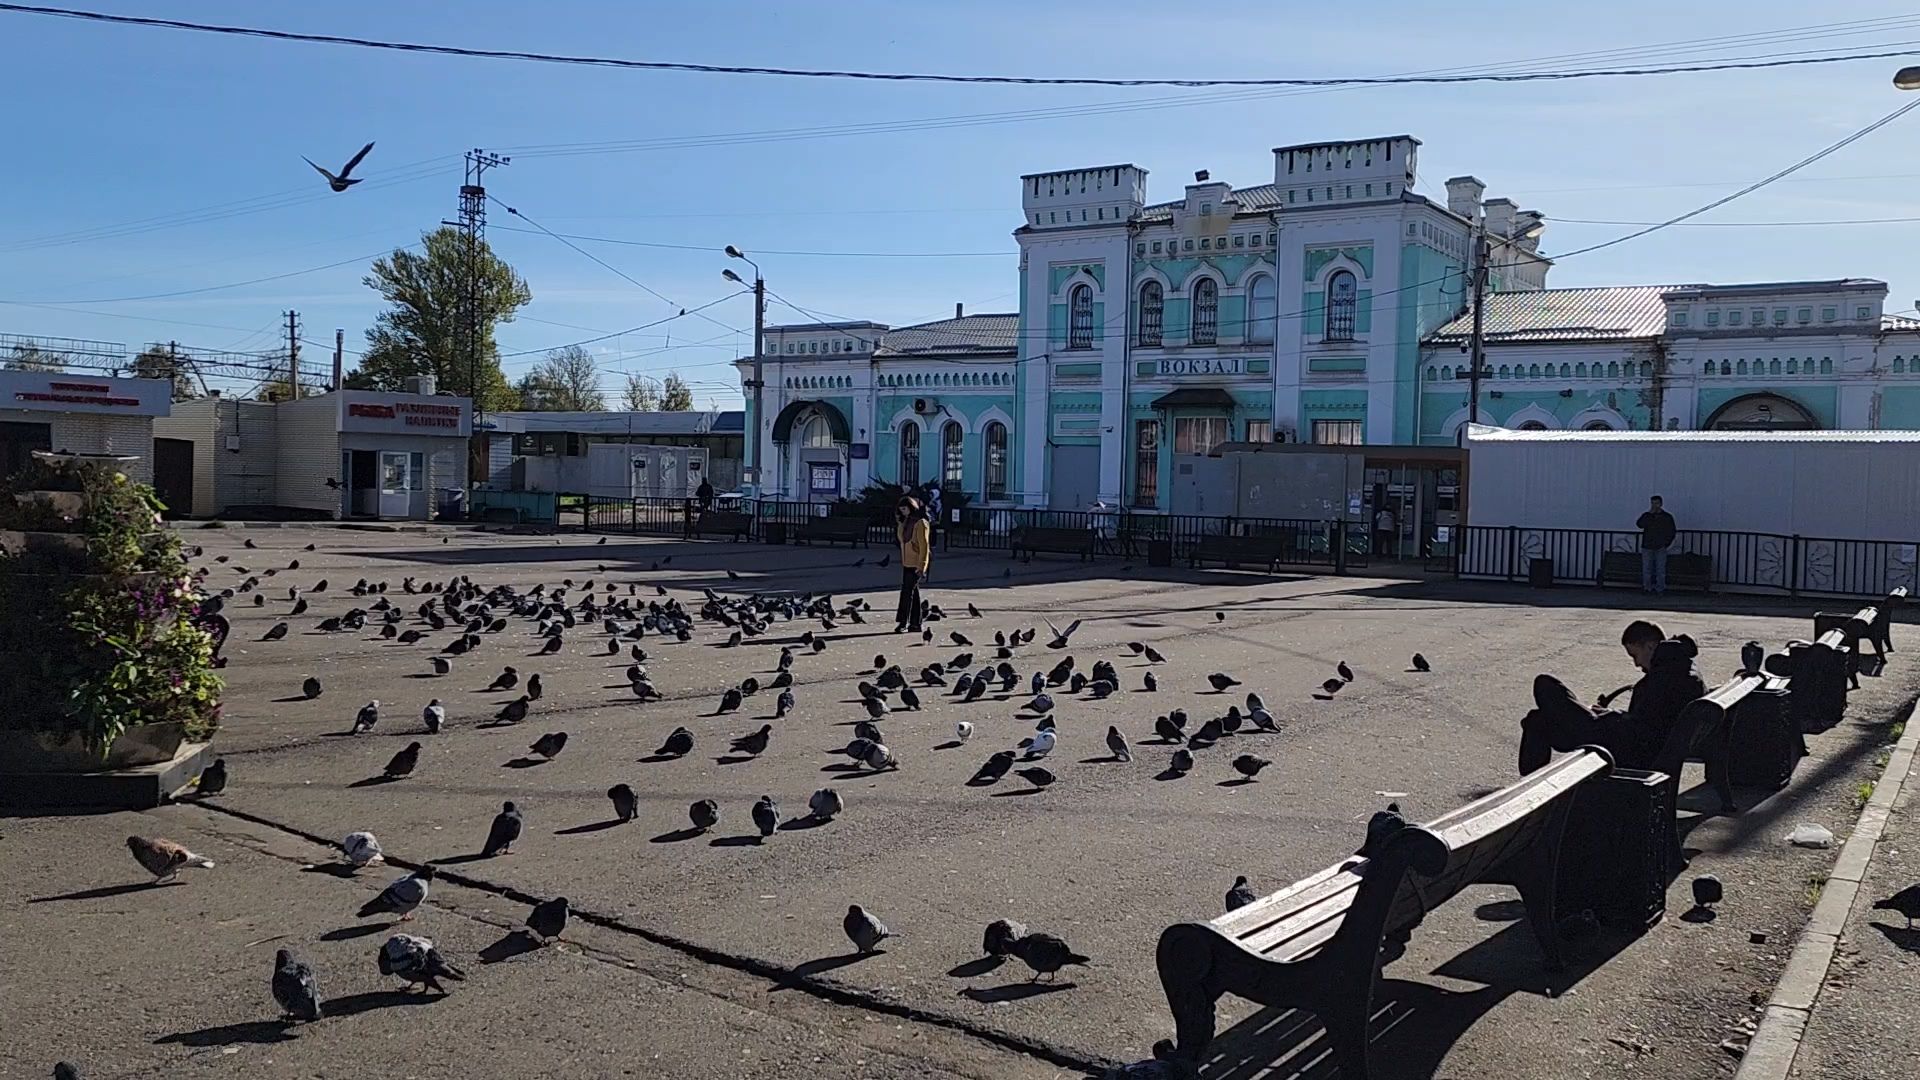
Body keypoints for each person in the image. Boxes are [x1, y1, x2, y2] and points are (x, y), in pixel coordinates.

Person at [1518, 620, 1704, 774]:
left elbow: (1642, 727)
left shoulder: (1667, 675)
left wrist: (1607, 717)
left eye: (1635, 655)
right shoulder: (1679, 667)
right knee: (1537, 720)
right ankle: (1529, 791)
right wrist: (1610, 714)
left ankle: (1527, 794)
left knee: (1544, 684)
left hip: (1624, 750)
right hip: (1632, 742)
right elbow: (1650, 718)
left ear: (1649, 646)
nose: (1636, 663)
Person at [894, 496, 931, 634]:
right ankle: (916, 623)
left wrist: (922, 566)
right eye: (901, 510)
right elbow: (901, 539)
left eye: (904, 509)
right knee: (913, 593)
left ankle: (902, 622)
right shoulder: (905, 522)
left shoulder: (920, 523)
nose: (903, 512)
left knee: (906, 592)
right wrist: (900, 522)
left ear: (911, 507)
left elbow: (924, 546)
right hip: (907, 562)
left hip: (916, 563)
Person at [1636, 495, 1676, 594]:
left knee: (1660, 569)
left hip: (1660, 546)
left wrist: (1666, 543)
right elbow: (1639, 524)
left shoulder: (1666, 517)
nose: (1655, 506)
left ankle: (1660, 589)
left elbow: (1672, 531)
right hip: (1647, 546)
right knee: (1647, 569)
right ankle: (1647, 588)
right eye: (1653, 503)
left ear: (1661, 504)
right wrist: (1649, 514)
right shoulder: (1647, 515)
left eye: (1657, 503)